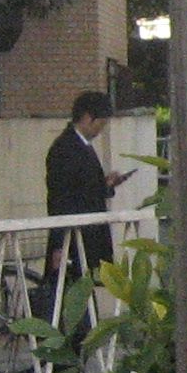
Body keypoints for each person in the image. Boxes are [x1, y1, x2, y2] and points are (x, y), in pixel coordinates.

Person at [40, 91, 130, 328]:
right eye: (101, 123)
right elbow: (61, 197)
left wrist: (106, 185)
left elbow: (85, 188)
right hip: (73, 235)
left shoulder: (81, 146)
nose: (101, 129)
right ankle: (67, 348)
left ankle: (79, 346)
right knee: (69, 297)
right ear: (88, 117)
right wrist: (59, 244)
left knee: (80, 293)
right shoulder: (65, 149)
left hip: (84, 233)